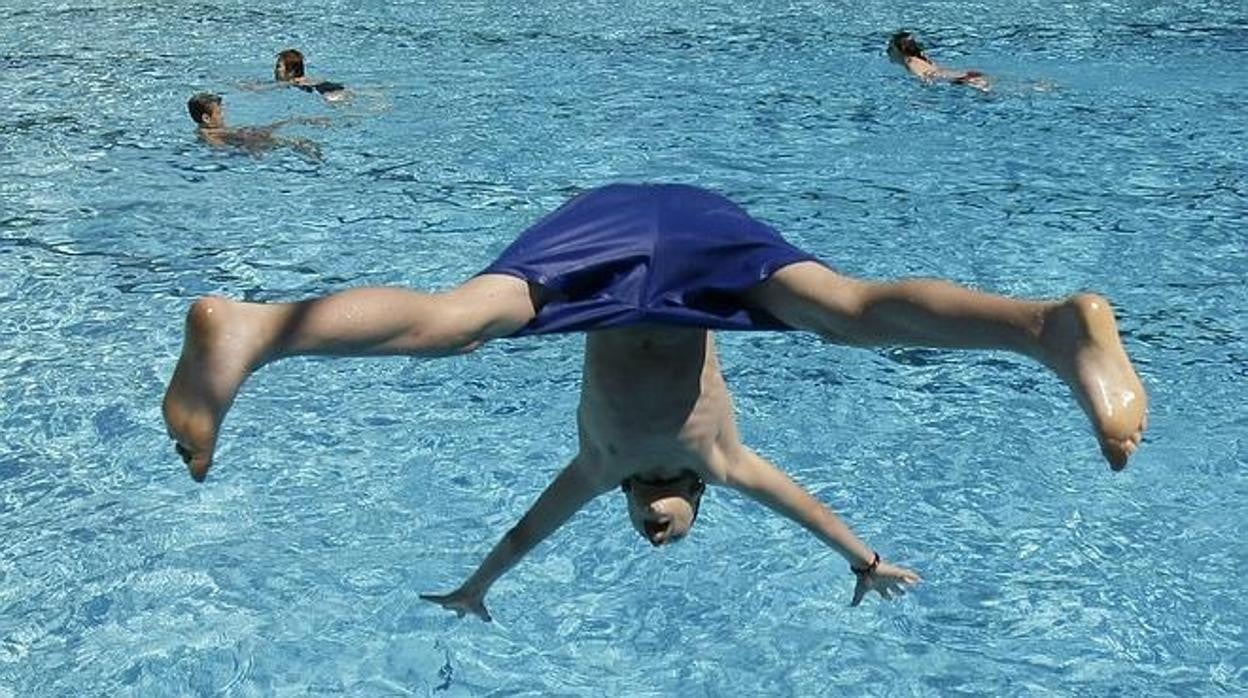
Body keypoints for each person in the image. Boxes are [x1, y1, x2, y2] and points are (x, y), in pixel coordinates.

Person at [161, 183, 1147, 620]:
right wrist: (866, 559)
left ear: (634, 505)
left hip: (601, 254)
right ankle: (1042, 327)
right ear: (688, 499)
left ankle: (254, 327)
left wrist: (477, 587)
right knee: (840, 310)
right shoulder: (725, 460)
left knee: (456, 323)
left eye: (643, 529)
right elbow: (807, 510)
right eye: (663, 525)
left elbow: (521, 534)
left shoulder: (597, 471)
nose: (653, 526)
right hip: (696, 254)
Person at [187, 92, 325, 159]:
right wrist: (252, 150)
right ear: (206, 118)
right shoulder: (207, 133)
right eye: (220, 112)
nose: (223, 115)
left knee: (301, 142)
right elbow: (221, 150)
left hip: (253, 142)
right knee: (302, 144)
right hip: (255, 147)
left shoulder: (212, 130)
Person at [888, 31, 990, 91]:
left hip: (961, 80)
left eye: (890, 48)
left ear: (898, 50)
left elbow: (926, 78)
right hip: (965, 75)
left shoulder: (910, 62)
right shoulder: (923, 58)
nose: (888, 51)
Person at [274, 48, 349, 102]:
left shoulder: (292, 82)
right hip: (335, 88)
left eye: (278, 67)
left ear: (291, 72)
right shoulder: (307, 79)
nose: (275, 70)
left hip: (328, 93)